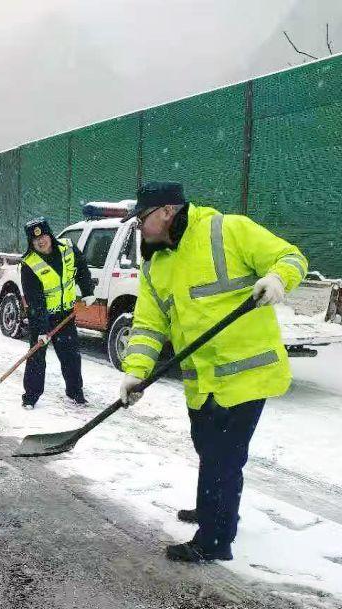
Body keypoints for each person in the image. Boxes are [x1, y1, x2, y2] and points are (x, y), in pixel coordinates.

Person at [117, 182, 308, 563]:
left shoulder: (227, 230)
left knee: (224, 456)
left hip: (246, 374)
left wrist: (277, 280)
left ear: (167, 211)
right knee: (208, 448)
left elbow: (291, 257)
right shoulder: (156, 264)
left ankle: (215, 540)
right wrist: (135, 373)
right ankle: (212, 509)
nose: (139, 226)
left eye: (142, 218)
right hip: (202, 380)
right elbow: (149, 326)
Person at [20, 217, 96, 409]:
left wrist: (87, 292)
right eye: (35, 239)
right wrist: (41, 330)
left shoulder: (68, 248)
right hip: (42, 317)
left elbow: (82, 270)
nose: (41, 241)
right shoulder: (29, 265)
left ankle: (75, 393)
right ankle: (30, 397)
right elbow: (35, 301)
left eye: (43, 235)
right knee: (36, 357)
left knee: (71, 356)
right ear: (31, 242)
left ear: (50, 235)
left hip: (66, 315)